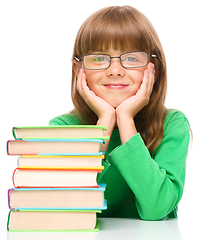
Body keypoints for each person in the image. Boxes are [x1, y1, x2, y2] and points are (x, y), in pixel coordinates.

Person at [49, 6, 190, 221]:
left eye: (132, 58)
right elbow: (67, 206)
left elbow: (157, 207)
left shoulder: (172, 125)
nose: (115, 70)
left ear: (154, 69)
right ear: (79, 71)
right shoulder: (62, 128)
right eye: (99, 59)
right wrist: (105, 121)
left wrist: (125, 119)